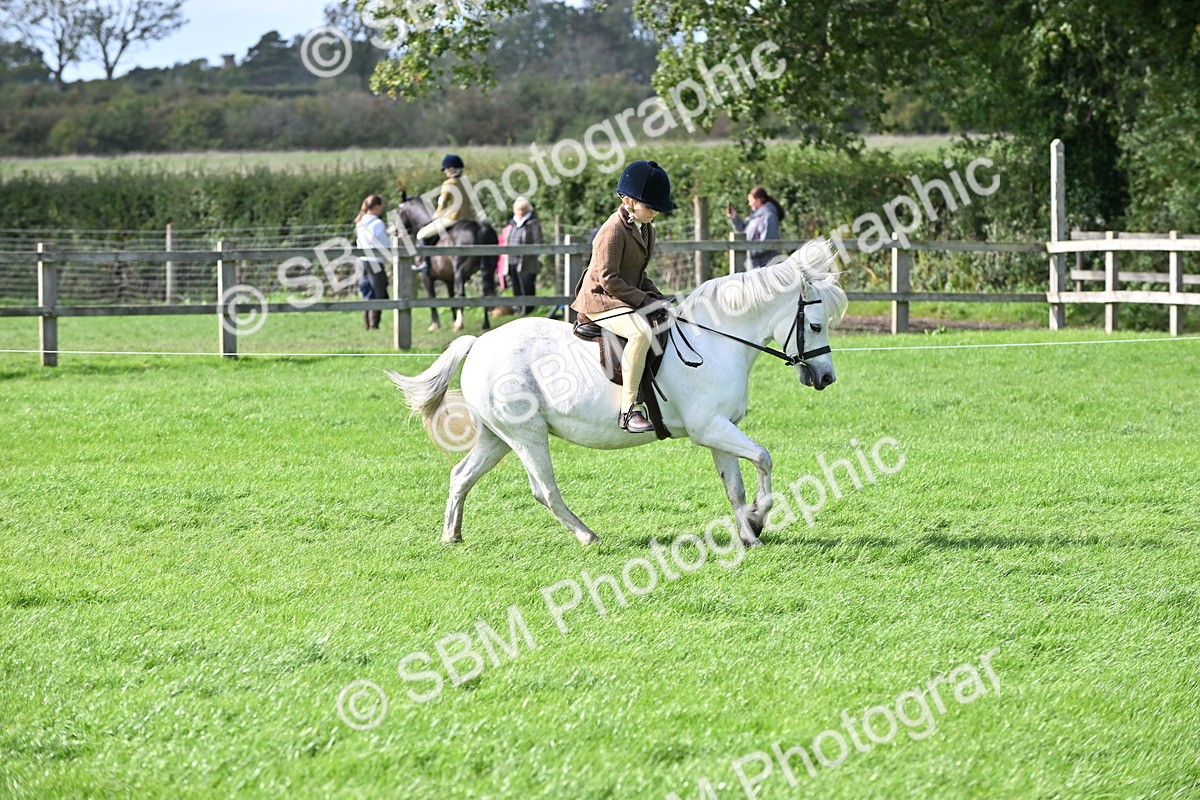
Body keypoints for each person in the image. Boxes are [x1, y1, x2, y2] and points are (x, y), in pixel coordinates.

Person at [571, 160, 674, 434]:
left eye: (656, 208)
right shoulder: (612, 230)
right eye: (649, 206)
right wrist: (643, 301)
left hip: (621, 295)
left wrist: (659, 298)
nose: (654, 212)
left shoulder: (646, 228)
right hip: (600, 299)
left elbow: (638, 275)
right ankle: (628, 410)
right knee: (641, 333)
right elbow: (609, 278)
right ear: (628, 200)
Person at [414, 153, 475, 272]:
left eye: (446, 169)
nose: (445, 172)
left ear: (451, 169)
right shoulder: (466, 182)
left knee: (421, 234)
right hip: (468, 217)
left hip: (453, 217)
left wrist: (435, 216)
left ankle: (426, 264)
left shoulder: (448, 183)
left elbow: (442, 203)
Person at [725, 185, 784, 270]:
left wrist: (748, 250)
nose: (749, 204)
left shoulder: (769, 217)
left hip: (765, 267)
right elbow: (742, 231)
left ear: (759, 200)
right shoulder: (755, 217)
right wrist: (735, 218)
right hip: (754, 266)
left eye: (751, 200)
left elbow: (769, 242)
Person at [355, 193, 391, 330]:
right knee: (378, 293)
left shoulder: (360, 223)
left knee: (368, 292)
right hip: (375, 261)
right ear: (376, 207)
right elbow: (385, 244)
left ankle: (367, 323)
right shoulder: (378, 223)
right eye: (380, 206)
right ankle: (374, 324)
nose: (381, 209)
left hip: (362, 260)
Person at [504, 196, 542, 315]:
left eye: (523, 209)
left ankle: (528, 309)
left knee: (526, 284)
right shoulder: (513, 223)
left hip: (527, 260)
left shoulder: (533, 223)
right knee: (515, 285)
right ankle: (518, 308)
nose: (521, 212)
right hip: (512, 259)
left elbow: (538, 241)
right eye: (519, 209)